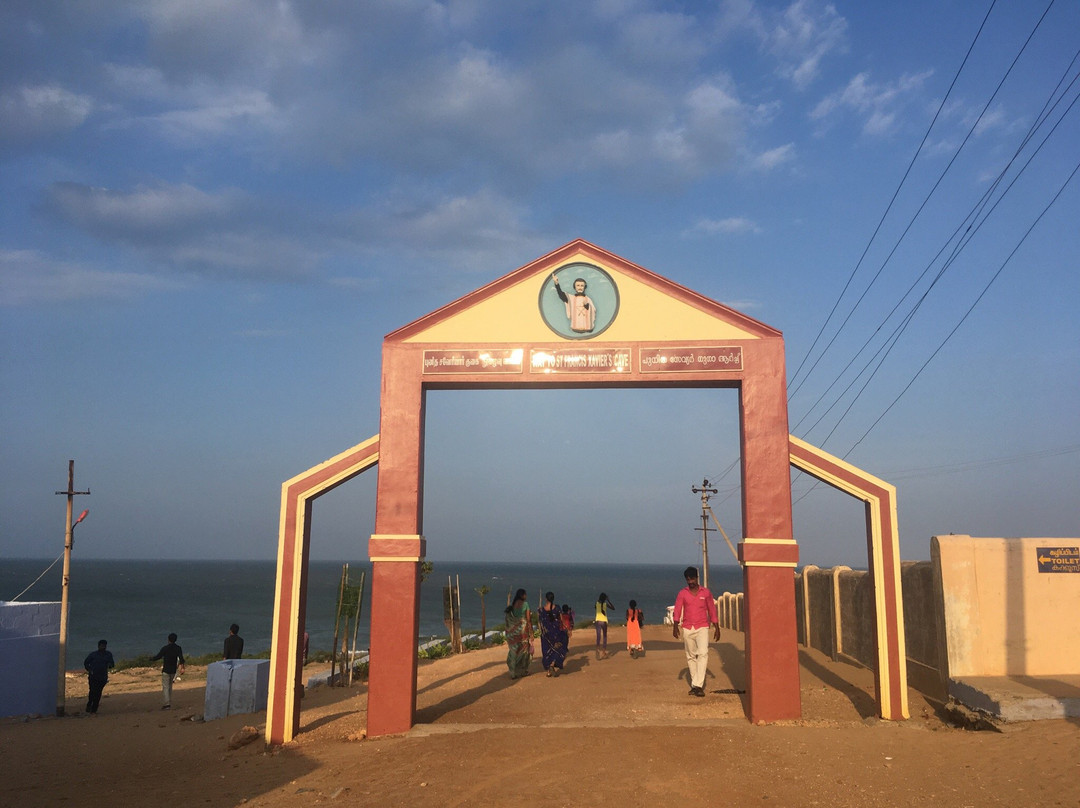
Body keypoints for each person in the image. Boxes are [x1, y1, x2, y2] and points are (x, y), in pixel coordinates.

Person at [672, 566, 720, 698]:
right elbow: (677, 609)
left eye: (692, 578)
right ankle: (695, 685)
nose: (690, 581)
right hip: (687, 627)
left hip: (702, 627)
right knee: (691, 656)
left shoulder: (706, 593)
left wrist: (717, 627)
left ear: (697, 578)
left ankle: (698, 685)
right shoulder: (683, 593)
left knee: (703, 653)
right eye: (688, 579)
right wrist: (675, 626)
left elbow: (711, 609)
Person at [150, 632, 185, 709]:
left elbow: (158, 656)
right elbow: (181, 659)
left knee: (165, 686)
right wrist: (182, 668)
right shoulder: (178, 648)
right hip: (173, 670)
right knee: (170, 686)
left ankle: (167, 703)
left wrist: (150, 659)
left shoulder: (165, 648)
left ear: (168, 640)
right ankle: (168, 701)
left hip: (166, 669)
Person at [537, 591, 569, 677]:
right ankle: (553, 664)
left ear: (546, 599)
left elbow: (540, 622)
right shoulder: (557, 608)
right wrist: (566, 628)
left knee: (547, 651)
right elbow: (561, 620)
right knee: (557, 648)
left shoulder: (541, 610)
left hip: (546, 635)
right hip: (556, 633)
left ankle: (548, 671)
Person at [504, 589, 532, 679]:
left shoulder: (513, 605)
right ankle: (523, 671)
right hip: (523, 631)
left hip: (513, 632)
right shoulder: (526, 604)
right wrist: (531, 632)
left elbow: (509, 619)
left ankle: (513, 672)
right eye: (525, 594)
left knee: (514, 650)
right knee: (524, 651)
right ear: (523, 595)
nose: (526, 596)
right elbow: (528, 619)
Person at [83, 639, 114, 714]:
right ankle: (89, 704)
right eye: (102, 646)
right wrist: (89, 670)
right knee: (92, 691)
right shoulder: (93, 654)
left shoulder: (108, 654)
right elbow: (86, 662)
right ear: (98, 646)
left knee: (98, 692)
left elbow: (112, 664)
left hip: (102, 677)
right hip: (93, 676)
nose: (103, 647)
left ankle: (94, 709)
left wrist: (109, 665)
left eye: (104, 646)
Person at [594, 592, 614, 660]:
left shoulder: (597, 603)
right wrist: (608, 600)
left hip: (598, 621)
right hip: (604, 621)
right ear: (605, 598)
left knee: (598, 636)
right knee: (604, 637)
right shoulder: (605, 604)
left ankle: (597, 650)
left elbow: (595, 607)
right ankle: (603, 652)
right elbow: (613, 608)